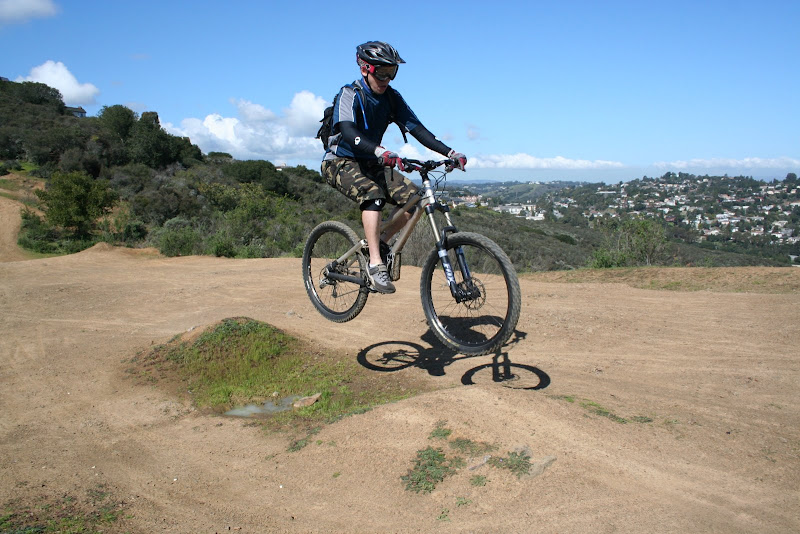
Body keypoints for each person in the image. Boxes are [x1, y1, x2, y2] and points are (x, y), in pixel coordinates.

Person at [321, 41, 467, 294]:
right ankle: (376, 264)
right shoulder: (350, 94)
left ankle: (379, 244)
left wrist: (450, 152)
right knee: (373, 194)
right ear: (365, 68)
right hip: (339, 162)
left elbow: (418, 129)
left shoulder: (391, 98)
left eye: (393, 73)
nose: (387, 78)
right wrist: (380, 151)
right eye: (382, 72)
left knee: (414, 199)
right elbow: (346, 129)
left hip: (371, 162)